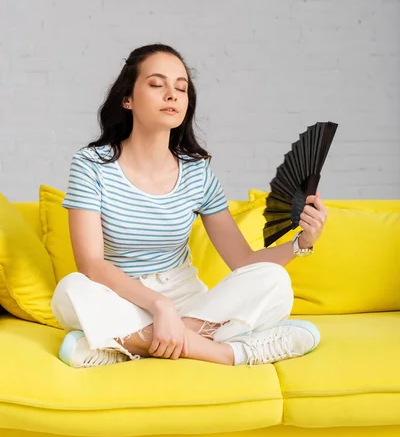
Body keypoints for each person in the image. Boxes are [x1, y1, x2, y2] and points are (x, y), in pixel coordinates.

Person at [51, 43, 327, 369]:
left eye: (181, 88)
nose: (172, 94)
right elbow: (92, 264)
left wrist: (302, 243)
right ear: (127, 99)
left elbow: (243, 260)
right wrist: (160, 306)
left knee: (273, 280)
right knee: (70, 290)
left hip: (188, 299)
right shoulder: (91, 164)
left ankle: (124, 344)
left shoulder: (197, 171)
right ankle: (229, 353)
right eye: (157, 85)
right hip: (121, 295)